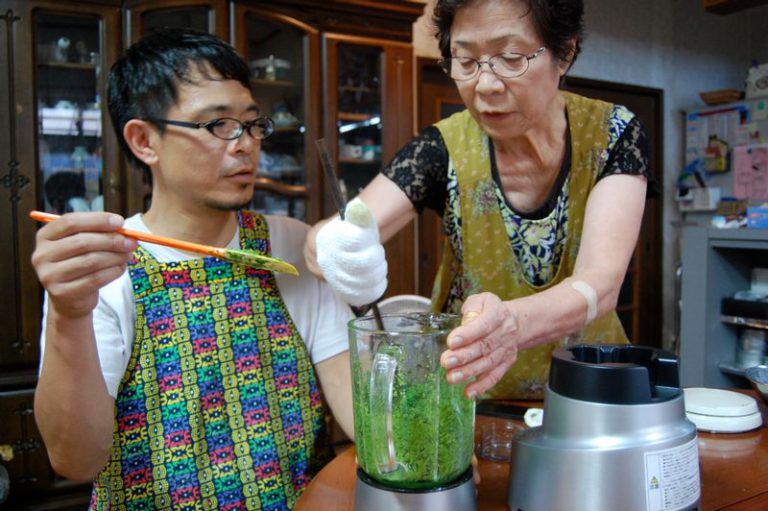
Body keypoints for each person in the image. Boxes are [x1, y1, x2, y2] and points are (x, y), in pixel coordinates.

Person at [31, 28, 353, 510]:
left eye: (251, 123)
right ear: (145, 141)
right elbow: (74, 460)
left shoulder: (288, 245)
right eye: (218, 125)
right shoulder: (106, 266)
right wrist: (69, 313)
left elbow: (358, 413)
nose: (245, 145)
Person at [306, 0, 652, 400]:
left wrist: (511, 324)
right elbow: (348, 228)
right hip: (472, 397)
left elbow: (601, 283)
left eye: (510, 58)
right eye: (466, 61)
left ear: (565, 53)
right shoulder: (443, 148)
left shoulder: (613, 134)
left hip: (590, 388)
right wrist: (329, 244)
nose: (485, 85)